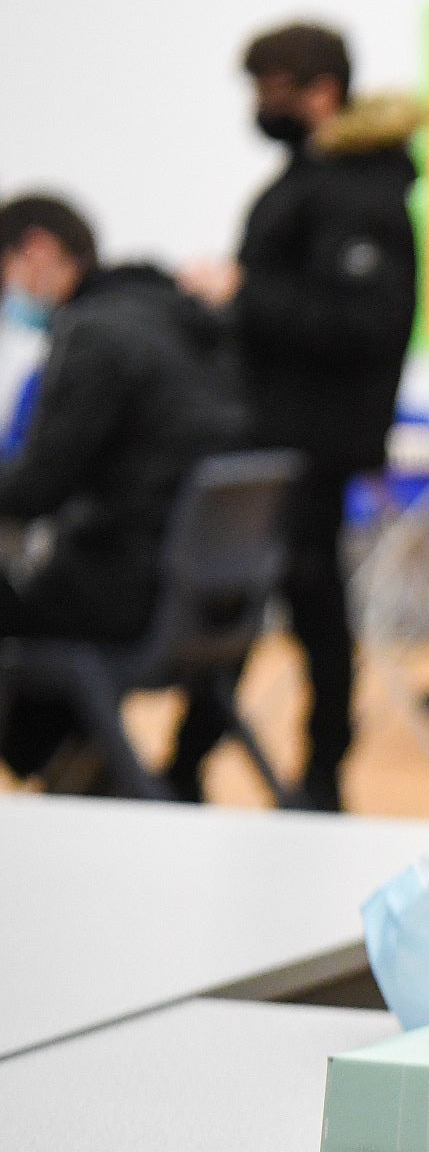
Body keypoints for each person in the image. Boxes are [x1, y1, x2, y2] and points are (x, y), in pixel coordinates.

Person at [173, 23, 422, 810]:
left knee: (295, 603)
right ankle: (198, 762)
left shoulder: (358, 194)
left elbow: (360, 322)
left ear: (320, 90)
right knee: (265, 602)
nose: (259, 106)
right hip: (280, 435)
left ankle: (311, 772)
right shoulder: (317, 180)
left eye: (272, 88)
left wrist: (241, 295)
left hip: (310, 440)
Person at [0, 197, 245, 771]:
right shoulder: (179, 320)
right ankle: (72, 763)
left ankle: (57, 758)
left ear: (37, 251)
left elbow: (36, 488)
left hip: (125, 595)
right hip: (205, 599)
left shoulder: (97, 334)